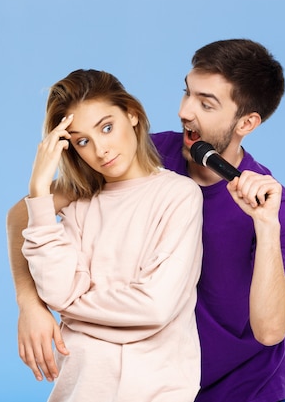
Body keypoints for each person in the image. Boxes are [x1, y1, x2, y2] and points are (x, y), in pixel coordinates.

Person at [7, 39, 285, 402]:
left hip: (246, 388)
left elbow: (270, 331)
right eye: (187, 93)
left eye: (206, 104)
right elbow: (27, 210)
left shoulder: (274, 204)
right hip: (150, 385)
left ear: (247, 122)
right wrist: (31, 305)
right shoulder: (138, 158)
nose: (185, 111)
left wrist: (266, 226)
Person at [18, 69, 204, 401]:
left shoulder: (179, 195)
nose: (101, 150)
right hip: (79, 391)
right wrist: (39, 190)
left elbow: (154, 309)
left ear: (131, 114)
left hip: (157, 392)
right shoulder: (79, 205)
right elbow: (59, 292)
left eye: (107, 127)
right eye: (82, 141)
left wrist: (74, 307)